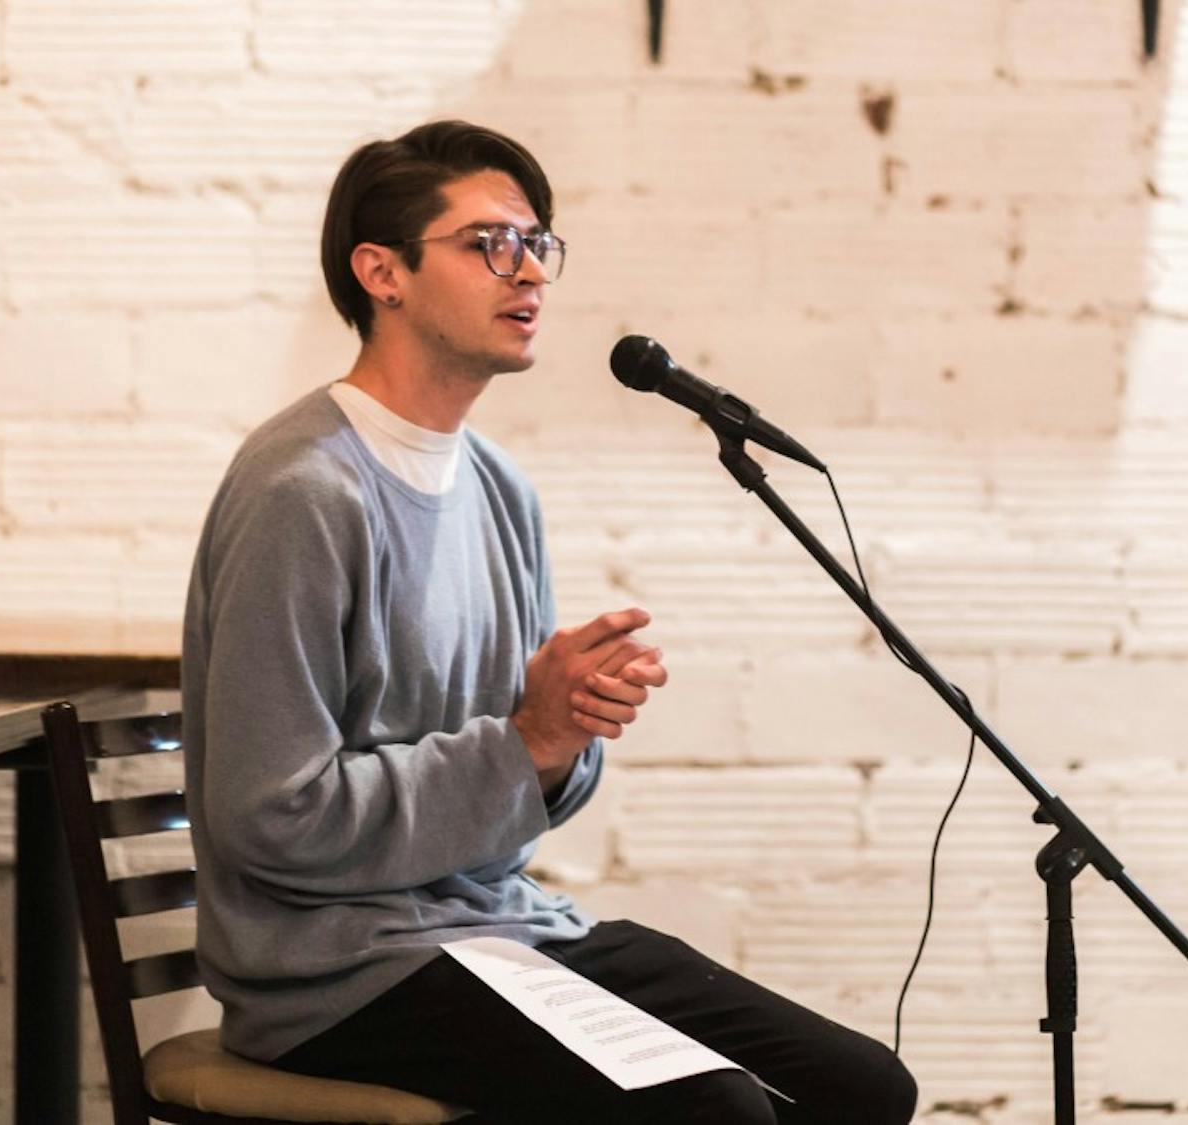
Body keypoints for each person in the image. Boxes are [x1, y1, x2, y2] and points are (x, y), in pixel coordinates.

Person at [181, 119, 918, 1124]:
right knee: (721, 1114)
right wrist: (525, 741)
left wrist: (565, 739)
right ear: (382, 272)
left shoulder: (499, 489)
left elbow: (527, 786)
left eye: (537, 244)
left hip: (501, 930)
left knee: (865, 1087)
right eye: (489, 243)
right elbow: (269, 817)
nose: (528, 271)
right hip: (336, 975)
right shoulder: (303, 493)